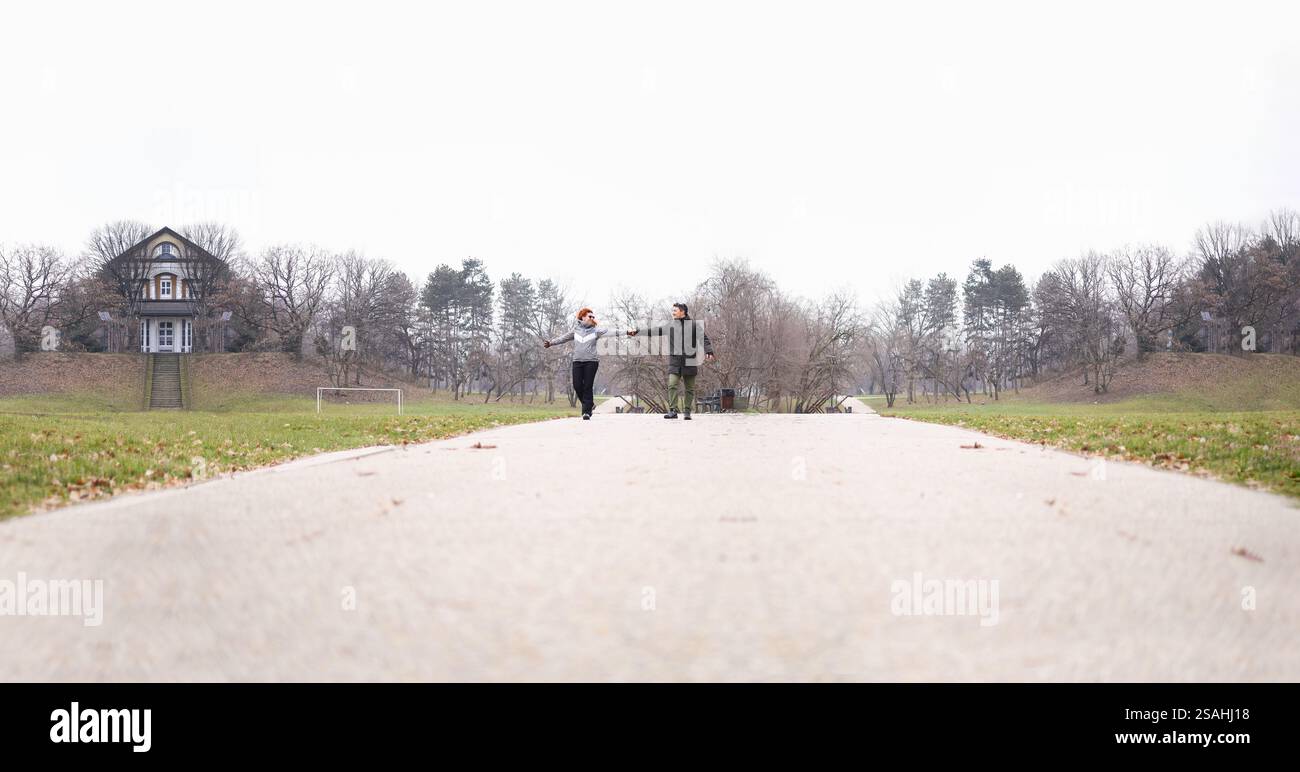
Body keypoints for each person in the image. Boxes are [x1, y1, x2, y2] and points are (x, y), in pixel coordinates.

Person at [627, 302, 715, 420]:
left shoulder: (694, 326)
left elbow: (703, 338)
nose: (673, 313)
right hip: (675, 362)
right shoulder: (670, 326)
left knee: (689, 388)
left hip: (690, 361)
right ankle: (673, 410)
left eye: (675, 310)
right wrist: (637, 332)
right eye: (672, 311)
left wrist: (709, 351)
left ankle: (687, 412)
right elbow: (654, 331)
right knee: (672, 384)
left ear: (683, 312)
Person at [543, 307, 622, 420]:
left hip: (591, 362)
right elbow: (563, 338)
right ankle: (590, 404)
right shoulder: (575, 330)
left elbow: (612, 332)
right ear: (583, 317)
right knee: (577, 385)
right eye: (590, 316)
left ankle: (586, 412)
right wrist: (551, 343)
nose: (592, 318)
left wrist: (628, 332)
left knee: (587, 386)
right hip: (577, 361)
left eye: (593, 317)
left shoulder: (596, 331)